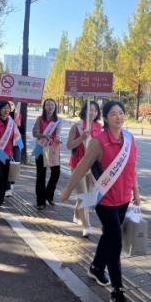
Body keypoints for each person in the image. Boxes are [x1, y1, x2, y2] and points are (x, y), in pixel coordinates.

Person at [60, 101, 140, 302]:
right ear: (105, 118)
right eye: (113, 114)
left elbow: (132, 168)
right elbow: (81, 167)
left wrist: (136, 193)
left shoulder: (130, 139)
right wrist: (67, 190)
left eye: (121, 113)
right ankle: (117, 291)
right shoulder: (99, 141)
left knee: (108, 237)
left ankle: (96, 268)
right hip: (104, 200)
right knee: (115, 241)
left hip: (123, 199)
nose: (118, 117)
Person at [67, 100, 102, 238]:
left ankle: (77, 213)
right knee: (83, 195)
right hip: (78, 165)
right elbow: (69, 145)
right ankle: (86, 225)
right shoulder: (77, 126)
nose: (92, 113)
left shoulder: (98, 127)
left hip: (92, 166)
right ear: (84, 111)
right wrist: (81, 138)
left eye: (95, 110)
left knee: (90, 196)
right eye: (90, 110)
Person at [32, 99, 61, 210]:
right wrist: (44, 135)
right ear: (44, 107)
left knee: (56, 173)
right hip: (41, 148)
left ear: (55, 107)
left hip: (53, 149)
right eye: (47, 104)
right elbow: (34, 133)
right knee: (41, 175)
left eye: (52, 105)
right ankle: (40, 201)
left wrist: (57, 138)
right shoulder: (39, 119)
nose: (50, 106)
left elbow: (57, 134)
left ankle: (48, 195)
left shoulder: (58, 120)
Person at [5, 101, 23, 197]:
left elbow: (22, 129)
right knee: (7, 164)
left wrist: (19, 124)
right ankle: (7, 187)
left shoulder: (18, 113)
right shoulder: (4, 113)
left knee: (16, 163)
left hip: (17, 142)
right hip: (6, 143)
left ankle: (11, 182)